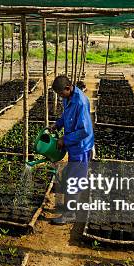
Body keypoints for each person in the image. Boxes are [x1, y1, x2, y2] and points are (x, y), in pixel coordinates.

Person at [48, 75, 94, 224]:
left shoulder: (80, 102)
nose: (60, 97)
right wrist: (57, 124)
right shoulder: (68, 97)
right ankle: (71, 206)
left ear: (68, 88)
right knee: (71, 176)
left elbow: (85, 130)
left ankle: (70, 213)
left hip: (81, 147)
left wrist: (64, 139)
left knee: (73, 179)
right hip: (74, 146)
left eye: (61, 94)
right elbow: (66, 116)